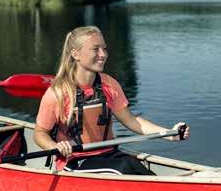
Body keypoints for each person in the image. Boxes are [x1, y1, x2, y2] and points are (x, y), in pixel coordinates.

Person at [34, 25, 190, 175]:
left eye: (104, 48)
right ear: (76, 54)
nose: (103, 54)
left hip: (109, 154)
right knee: (123, 167)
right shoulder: (57, 93)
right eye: (96, 49)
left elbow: (131, 121)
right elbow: (40, 134)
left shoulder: (109, 84)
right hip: (75, 161)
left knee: (133, 166)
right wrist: (56, 146)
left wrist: (170, 134)